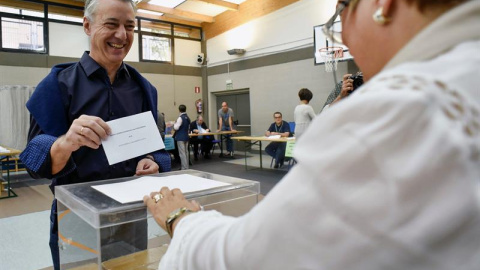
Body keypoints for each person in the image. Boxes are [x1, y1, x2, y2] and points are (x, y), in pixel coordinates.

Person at [145, 0, 480, 269]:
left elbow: (249, 257)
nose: (345, 36)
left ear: (384, 4)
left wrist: (180, 218)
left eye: (343, 10)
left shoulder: (398, 107)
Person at [19, 0, 171, 268]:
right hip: (77, 217)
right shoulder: (57, 85)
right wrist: (66, 142)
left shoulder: (144, 89)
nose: (121, 35)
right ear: (87, 25)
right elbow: (34, 160)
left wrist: (155, 161)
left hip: (131, 216)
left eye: (129, 26)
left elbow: (158, 149)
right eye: (111, 24)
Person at [173, 104, 190, 170]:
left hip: (180, 137)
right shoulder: (187, 117)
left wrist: (174, 124)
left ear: (179, 110)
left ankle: (184, 167)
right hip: (186, 136)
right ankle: (187, 167)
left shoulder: (180, 118)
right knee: (186, 152)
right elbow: (189, 127)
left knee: (182, 153)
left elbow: (176, 128)